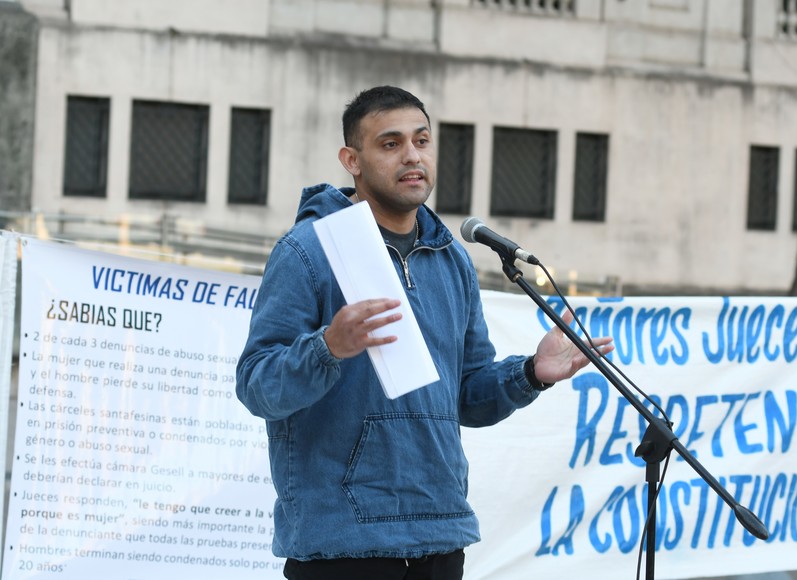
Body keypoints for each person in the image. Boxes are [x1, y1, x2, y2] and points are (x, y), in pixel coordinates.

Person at [235, 85, 614, 580]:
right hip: (346, 545)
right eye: (390, 143)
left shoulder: (452, 259)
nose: (412, 155)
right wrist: (328, 348)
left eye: (422, 140)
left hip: (440, 536)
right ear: (352, 159)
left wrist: (530, 374)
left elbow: (466, 397)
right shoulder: (308, 250)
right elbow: (257, 384)